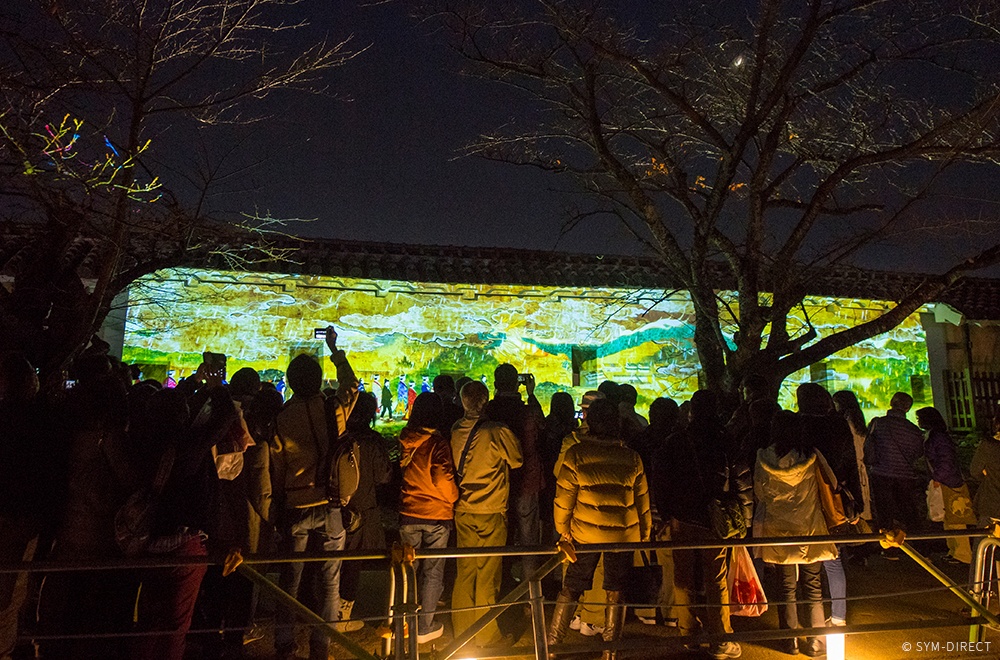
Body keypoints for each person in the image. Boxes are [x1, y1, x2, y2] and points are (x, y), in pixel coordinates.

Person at [270, 327, 359, 660]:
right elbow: (351, 385)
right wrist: (334, 349)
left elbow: (277, 468)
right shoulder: (333, 410)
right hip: (331, 504)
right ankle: (321, 646)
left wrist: (278, 503)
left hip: (295, 504)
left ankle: (283, 643)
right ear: (320, 379)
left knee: (289, 579)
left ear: (291, 382)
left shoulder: (281, 419)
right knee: (330, 580)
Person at [546, 398, 651, 660]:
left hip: (583, 534)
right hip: (622, 536)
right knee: (615, 591)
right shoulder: (632, 457)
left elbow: (563, 499)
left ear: (589, 423)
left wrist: (563, 531)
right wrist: (645, 535)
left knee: (572, 586)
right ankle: (609, 653)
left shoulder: (576, 454)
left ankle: (551, 646)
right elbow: (643, 502)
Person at [653, 390, 742, 660]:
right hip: (713, 517)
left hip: (681, 518)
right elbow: (738, 477)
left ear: (691, 412)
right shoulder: (725, 440)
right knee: (716, 581)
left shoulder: (676, 440)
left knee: (683, 578)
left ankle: (688, 634)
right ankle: (720, 640)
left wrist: (666, 514)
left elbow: (661, 478)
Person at [754, 410, 838, 657]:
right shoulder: (811, 455)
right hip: (809, 529)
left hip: (778, 532)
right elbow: (831, 483)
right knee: (813, 587)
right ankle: (816, 643)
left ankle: (789, 641)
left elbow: (759, 493)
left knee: (786, 587)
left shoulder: (763, 456)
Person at [450, 380, 522, 647]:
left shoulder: (456, 429)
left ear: (463, 401)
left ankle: (462, 634)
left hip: (463, 510)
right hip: (491, 510)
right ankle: (487, 636)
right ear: (486, 400)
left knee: (465, 573)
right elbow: (517, 460)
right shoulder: (497, 430)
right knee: (488, 575)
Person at [797, 383, 861, 627]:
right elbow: (850, 462)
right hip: (836, 497)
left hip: (808, 497)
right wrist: (856, 502)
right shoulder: (837, 424)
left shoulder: (800, 424)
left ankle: (814, 623)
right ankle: (839, 616)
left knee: (811, 564)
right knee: (835, 560)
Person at [398, 392, 460, 643]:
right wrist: (454, 497)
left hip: (408, 512)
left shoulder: (405, 438)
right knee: (433, 572)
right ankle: (424, 626)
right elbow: (443, 479)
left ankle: (403, 622)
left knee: (407, 570)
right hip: (436, 515)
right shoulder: (438, 444)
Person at [484, 364, 545, 584]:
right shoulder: (527, 410)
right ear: (517, 384)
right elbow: (543, 427)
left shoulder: (488, 411)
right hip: (527, 481)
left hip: (495, 484)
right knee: (529, 538)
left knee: (498, 539)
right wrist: (531, 394)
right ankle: (531, 596)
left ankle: (498, 589)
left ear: (494, 383)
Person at [338, 393, 392, 631]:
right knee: (352, 563)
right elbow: (382, 476)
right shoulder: (373, 441)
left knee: (332, 562)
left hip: (336, 507)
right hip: (362, 509)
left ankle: (326, 609)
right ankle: (341, 614)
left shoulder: (339, 436)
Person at [864, 392, 925, 556]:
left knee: (885, 512)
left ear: (891, 403)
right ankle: (919, 546)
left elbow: (869, 446)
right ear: (908, 408)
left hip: (881, 472)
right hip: (905, 475)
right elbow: (918, 452)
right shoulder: (913, 430)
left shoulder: (878, 423)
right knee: (908, 511)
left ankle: (890, 549)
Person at [917, 407, 976, 565]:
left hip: (948, 482)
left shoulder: (937, 436)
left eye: (920, 418)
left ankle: (962, 554)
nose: (918, 421)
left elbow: (946, 459)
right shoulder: (938, 435)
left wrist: (938, 477)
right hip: (948, 480)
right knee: (950, 519)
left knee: (955, 519)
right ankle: (955, 552)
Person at [832, 390, 872, 521]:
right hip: (861, 459)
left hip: (853, 459)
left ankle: (857, 519)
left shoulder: (846, 418)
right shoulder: (857, 415)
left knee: (854, 492)